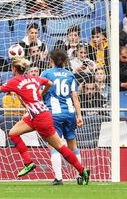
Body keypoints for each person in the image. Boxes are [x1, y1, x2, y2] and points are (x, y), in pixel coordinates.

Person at [0, 57, 90, 185]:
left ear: (14, 69)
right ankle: (28, 163)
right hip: (34, 115)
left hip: (41, 118)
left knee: (59, 147)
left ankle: (82, 171)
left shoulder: (14, 81)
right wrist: (41, 93)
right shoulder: (34, 78)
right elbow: (50, 83)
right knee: (13, 133)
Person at [40, 49, 84, 185]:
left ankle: (59, 178)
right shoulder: (70, 75)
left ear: (51, 60)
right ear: (65, 61)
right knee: (72, 145)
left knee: (54, 146)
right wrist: (79, 115)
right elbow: (75, 96)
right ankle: (80, 175)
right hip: (69, 114)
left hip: (53, 115)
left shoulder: (46, 73)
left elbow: (39, 93)